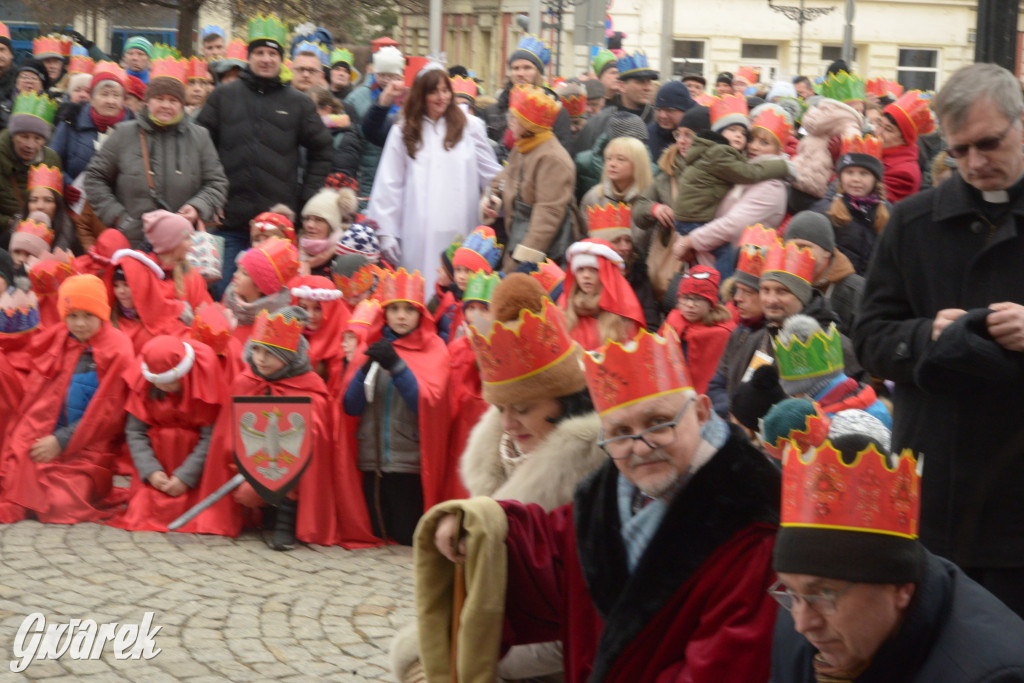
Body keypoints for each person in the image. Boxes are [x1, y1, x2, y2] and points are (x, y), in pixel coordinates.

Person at [416, 325, 782, 681]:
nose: (640, 446)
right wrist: (481, 524)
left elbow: (724, 666)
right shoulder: (607, 493)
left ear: (701, 413)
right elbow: (555, 552)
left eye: (658, 423)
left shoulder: (751, 527)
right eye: (620, 433)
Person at [854, 63, 1024, 618]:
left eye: (990, 143)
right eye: (959, 151)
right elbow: (871, 339)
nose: (975, 164)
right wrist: (927, 335)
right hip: (938, 495)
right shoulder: (911, 222)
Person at [391, 273, 607, 682]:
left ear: (563, 402)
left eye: (522, 409)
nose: (508, 423)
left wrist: (466, 661)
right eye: (501, 409)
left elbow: (581, 625)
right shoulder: (498, 455)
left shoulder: (592, 479)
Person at [769, 418, 1024, 681]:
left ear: (901, 588)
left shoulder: (990, 674)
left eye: (824, 593)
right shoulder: (797, 618)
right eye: (791, 591)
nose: (802, 623)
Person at [197, 14, 332, 295]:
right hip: (228, 221)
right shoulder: (223, 96)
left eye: (273, 53)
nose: (266, 59)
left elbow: (322, 149)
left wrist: (305, 197)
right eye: (259, 52)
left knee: (272, 301)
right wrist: (209, 196)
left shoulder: (298, 103)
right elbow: (198, 145)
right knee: (223, 295)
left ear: (282, 60)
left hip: (276, 227)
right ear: (249, 57)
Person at [0, 274, 134, 524]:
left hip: (90, 447)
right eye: (72, 316)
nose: (80, 324)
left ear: (102, 314)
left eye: (88, 315)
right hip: (54, 433)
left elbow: (107, 415)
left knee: (61, 503)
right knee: (17, 463)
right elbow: (42, 398)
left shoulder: (117, 348)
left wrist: (60, 442)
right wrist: (33, 435)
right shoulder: (63, 339)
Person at [342, 269, 451, 546]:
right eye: (395, 309)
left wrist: (398, 368)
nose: (401, 316)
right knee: (375, 532)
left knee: (405, 536)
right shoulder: (373, 346)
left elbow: (427, 406)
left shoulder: (435, 348)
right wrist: (363, 369)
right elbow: (350, 406)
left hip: (408, 464)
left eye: (409, 310)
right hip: (371, 460)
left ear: (420, 315)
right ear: (385, 313)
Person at [370, 67, 500, 293]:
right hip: (418, 230)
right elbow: (390, 182)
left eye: (445, 91)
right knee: (420, 288)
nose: (442, 98)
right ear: (421, 95)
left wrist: (497, 197)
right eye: (434, 92)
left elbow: (491, 175)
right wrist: (387, 231)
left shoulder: (470, 126)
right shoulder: (403, 130)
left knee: (455, 290)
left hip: (459, 225)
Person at [85, 59, 228, 248]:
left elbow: (217, 183)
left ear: (182, 103)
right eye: (159, 99)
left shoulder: (200, 137)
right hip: (133, 242)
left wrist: (197, 207)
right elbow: (95, 177)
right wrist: (119, 218)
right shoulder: (123, 133)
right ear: (147, 101)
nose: (166, 106)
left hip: (183, 243)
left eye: (173, 100)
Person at [107, 336, 225, 532]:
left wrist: (186, 477)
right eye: (159, 382)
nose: (164, 388)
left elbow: (211, 437)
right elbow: (135, 432)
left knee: (196, 513)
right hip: (157, 465)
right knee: (143, 510)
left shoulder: (203, 390)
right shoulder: (145, 388)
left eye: (170, 382)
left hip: (194, 470)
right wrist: (151, 472)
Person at [672, 94, 792, 276]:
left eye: (764, 142)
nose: (753, 147)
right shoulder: (735, 166)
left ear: (778, 150)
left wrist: (689, 241)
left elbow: (732, 225)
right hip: (705, 263)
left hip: (734, 271)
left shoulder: (771, 185)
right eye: (752, 139)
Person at [482, 84, 577, 270]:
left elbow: (547, 216)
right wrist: (492, 198)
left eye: (514, 119)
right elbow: (503, 179)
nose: (509, 124)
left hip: (543, 257)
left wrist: (520, 263)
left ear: (528, 126)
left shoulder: (552, 158)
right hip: (517, 241)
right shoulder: (524, 147)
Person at [49, 65, 130, 248]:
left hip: (115, 213)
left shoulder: (133, 129)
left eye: (116, 95)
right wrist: (65, 183)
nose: (110, 101)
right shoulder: (72, 121)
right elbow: (52, 159)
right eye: (105, 94)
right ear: (92, 98)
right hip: (73, 209)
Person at [772, 315, 890, 426]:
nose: (795, 398)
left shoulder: (820, 426)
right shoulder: (874, 404)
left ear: (804, 391)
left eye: (795, 394)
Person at [810, 134, 890, 275]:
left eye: (864, 174)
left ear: (875, 179)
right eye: (849, 173)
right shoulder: (825, 212)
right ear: (840, 177)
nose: (856, 179)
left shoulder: (888, 213)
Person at [481, 35, 572, 153]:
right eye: (515, 68)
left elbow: (561, 152)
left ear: (538, 73)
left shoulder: (555, 112)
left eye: (527, 68)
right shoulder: (492, 111)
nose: (520, 73)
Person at [783, 210, 864, 336]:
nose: (797, 254)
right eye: (791, 248)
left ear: (827, 251)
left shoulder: (856, 292)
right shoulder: (781, 288)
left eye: (804, 247)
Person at [1, 92, 61, 249]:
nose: (30, 145)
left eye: (37, 138)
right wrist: (9, 223)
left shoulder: (51, 159)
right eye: (24, 136)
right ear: (13, 135)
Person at [662, 265, 736, 394]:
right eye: (686, 298)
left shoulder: (722, 332)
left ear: (711, 304)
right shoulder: (673, 319)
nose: (690, 305)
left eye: (698, 299)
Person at [345, 46, 405, 201]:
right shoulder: (356, 98)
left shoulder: (406, 98)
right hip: (366, 167)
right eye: (382, 75)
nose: (386, 81)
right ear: (374, 73)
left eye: (392, 76)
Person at [561, 238, 644, 350]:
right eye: (580, 269)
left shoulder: (622, 317)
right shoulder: (563, 310)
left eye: (594, 270)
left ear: (607, 275)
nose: (586, 275)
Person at [571, 50, 658, 156]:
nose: (648, 88)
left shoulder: (657, 121)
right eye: (640, 82)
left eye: (649, 82)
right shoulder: (599, 122)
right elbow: (581, 160)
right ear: (622, 86)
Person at [222, 237, 300, 343]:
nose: (235, 275)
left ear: (260, 286)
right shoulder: (227, 304)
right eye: (237, 270)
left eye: (244, 273)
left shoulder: (273, 328)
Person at [877, 90, 934, 203]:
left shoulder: (904, 172)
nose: (878, 132)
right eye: (879, 124)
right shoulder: (880, 154)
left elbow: (871, 204)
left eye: (889, 130)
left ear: (904, 139)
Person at [648, 80, 695, 161]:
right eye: (659, 109)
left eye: (669, 110)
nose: (662, 115)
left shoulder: (698, 135)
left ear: (684, 110)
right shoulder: (648, 135)